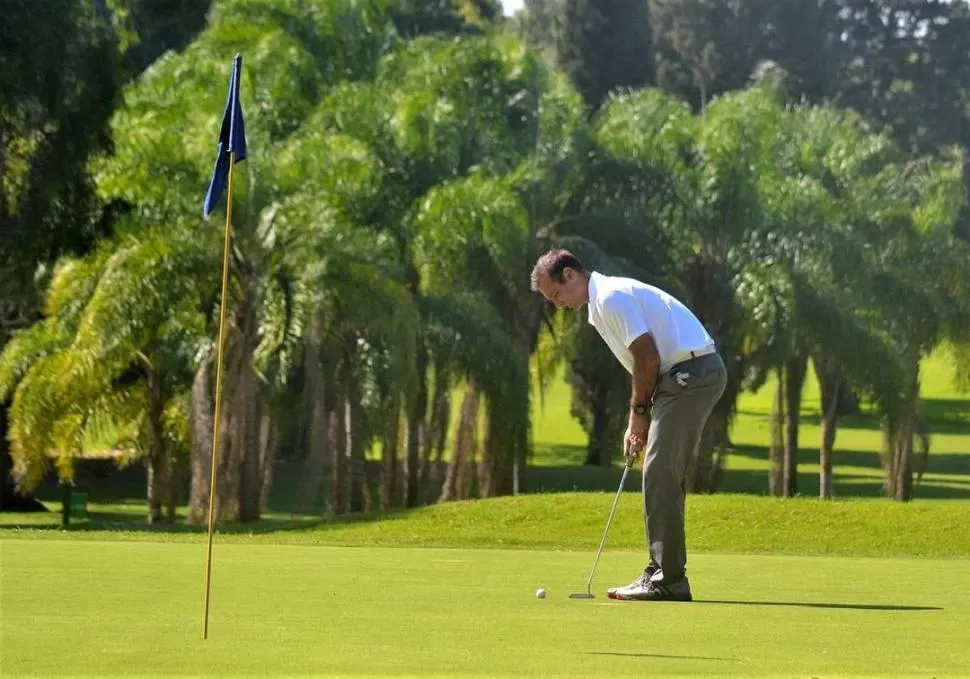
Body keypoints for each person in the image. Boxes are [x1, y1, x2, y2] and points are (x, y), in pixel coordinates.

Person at [530, 249, 727, 601]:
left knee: (659, 471)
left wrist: (638, 414)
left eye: (556, 295)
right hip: (678, 379)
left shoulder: (611, 298)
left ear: (571, 275)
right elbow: (642, 363)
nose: (557, 304)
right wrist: (638, 415)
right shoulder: (600, 305)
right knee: (661, 471)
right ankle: (661, 570)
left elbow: (647, 356)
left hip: (691, 374)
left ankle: (668, 579)